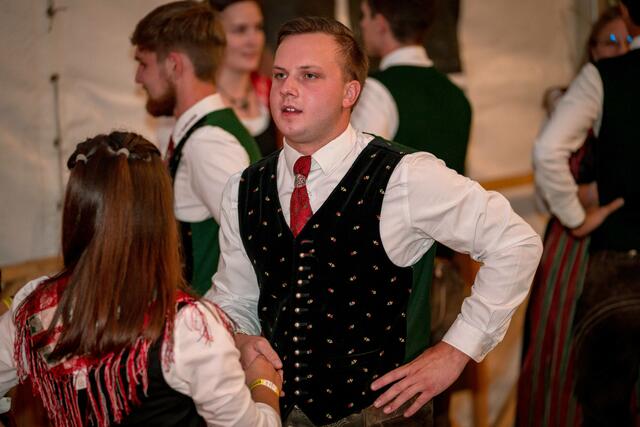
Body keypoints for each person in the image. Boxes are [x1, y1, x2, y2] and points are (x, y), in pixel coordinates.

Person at [207, 16, 542, 425]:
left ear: (350, 92)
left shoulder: (405, 176)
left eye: (309, 75)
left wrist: (455, 351)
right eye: (280, 75)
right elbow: (235, 296)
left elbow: (516, 243)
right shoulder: (244, 187)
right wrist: (240, 337)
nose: (287, 88)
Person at [0, 132, 281, 426]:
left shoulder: (38, 307)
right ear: (159, 218)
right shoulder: (187, 327)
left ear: (76, 213)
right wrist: (263, 384)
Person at [517, 7, 631, 426]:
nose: (621, 49)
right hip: (573, 245)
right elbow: (547, 181)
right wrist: (588, 196)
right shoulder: (574, 101)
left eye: (628, 41)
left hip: (618, 241)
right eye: (611, 42)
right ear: (594, 49)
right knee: (564, 348)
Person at [131, 1, 262, 296]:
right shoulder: (200, 134)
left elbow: (256, 247)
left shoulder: (207, 142)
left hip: (210, 318)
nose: (138, 78)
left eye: (144, 64)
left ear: (174, 65)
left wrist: (211, 314)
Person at [352, 0, 471, 175]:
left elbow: (362, 174)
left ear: (380, 23)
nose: (362, 24)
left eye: (365, 15)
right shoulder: (457, 94)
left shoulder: (374, 90)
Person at [208, 0, 281, 156]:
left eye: (258, 27)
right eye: (240, 30)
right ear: (213, 36)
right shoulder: (202, 99)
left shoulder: (275, 92)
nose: (253, 40)